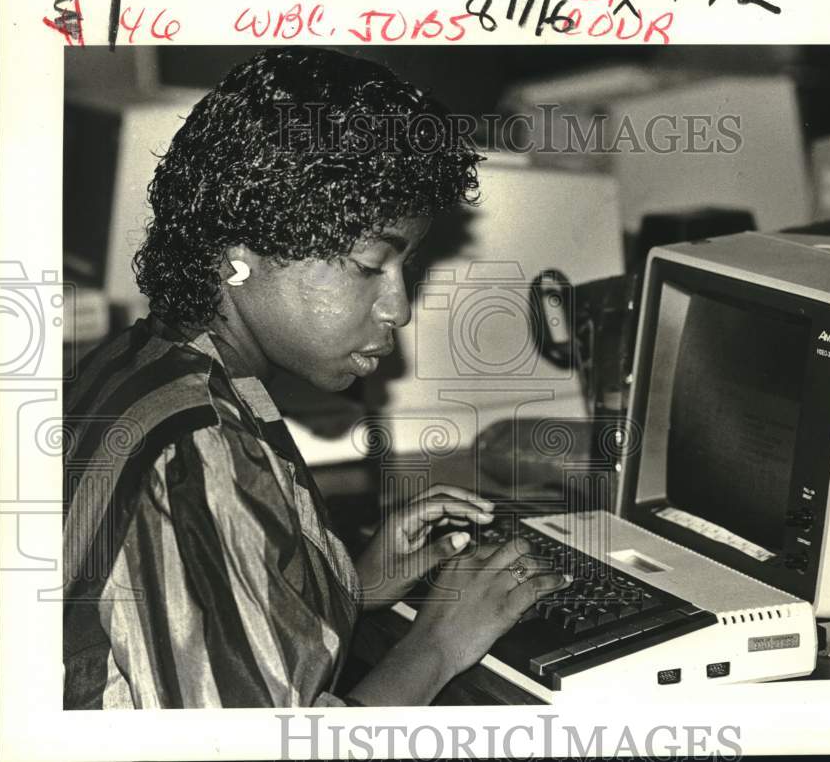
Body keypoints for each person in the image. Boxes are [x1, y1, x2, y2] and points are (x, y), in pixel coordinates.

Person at [62, 47, 568, 708]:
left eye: (405, 268)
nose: (398, 306)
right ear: (238, 259)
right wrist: (438, 643)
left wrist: (352, 583)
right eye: (369, 266)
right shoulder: (192, 452)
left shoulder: (148, 360)